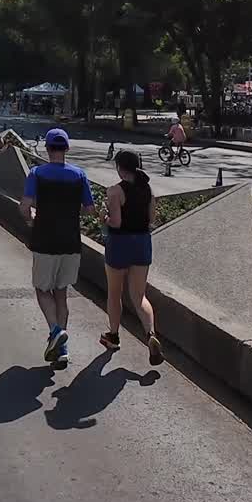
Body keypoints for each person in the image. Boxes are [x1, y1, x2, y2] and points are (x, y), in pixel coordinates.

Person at [19, 128, 94, 368]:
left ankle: (55, 331)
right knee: (61, 293)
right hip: (71, 241)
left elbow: (25, 206)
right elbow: (89, 209)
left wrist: (32, 219)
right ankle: (62, 350)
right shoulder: (79, 175)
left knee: (42, 290)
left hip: (45, 240)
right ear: (67, 149)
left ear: (48, 148)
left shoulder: (36, 173)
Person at [101, 151, 163, 365]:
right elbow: (152, 219)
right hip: (142, 243)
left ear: (119, 167)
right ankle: (151, 334)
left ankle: (114, 336)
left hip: (119, 244)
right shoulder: (148, 190)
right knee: (139, 296)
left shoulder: (115, 191)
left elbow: (116, 222)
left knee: (114, 293)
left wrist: (104, 217)